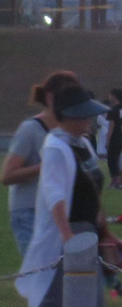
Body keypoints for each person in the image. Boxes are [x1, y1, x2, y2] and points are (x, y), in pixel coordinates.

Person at [0, 85, 122, 307]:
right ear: (70, 116)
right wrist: (67, 238)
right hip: (68, 233)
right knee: (58, 303)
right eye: (85, 116)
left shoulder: (83, 146)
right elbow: (55, 194)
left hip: (87, 232)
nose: (89, 122)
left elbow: (93, 195)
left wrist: (106, 233)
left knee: (92, 303)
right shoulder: (56, 147)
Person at [1, 72, 76, 257]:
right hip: (28, 212)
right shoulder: (30, 129)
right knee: (39, 275)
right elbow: (7, 176)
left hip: (55, 212)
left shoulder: (67, 131)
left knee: (58, 274)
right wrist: (45, 167)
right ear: (50, 98)